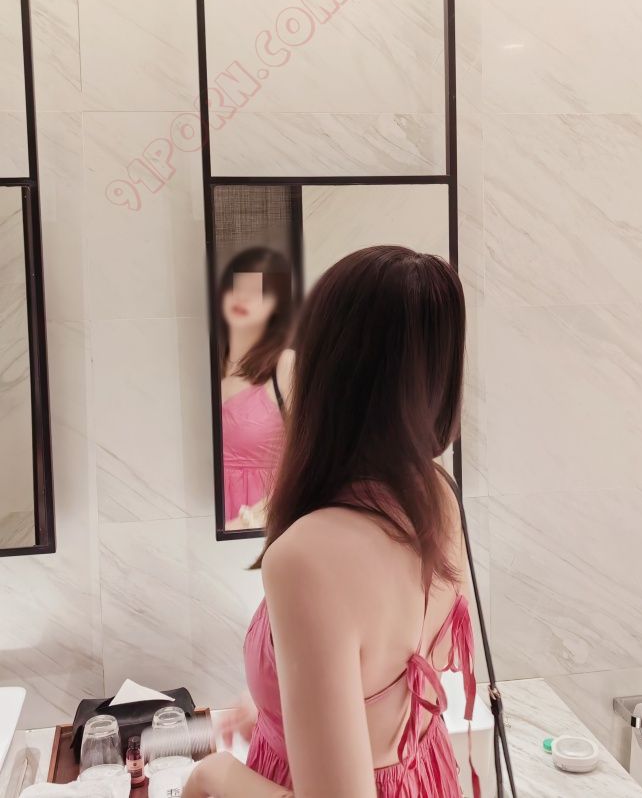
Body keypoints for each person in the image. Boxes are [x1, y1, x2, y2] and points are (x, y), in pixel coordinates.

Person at [185, 246, 479, 798]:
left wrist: (212, 773)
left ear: (328, 368)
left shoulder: (308, 557)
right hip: (423, 778)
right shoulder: (438, 495)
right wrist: (278, 708)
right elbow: (390, 677)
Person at [218, 247, 294, 528]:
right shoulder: (203, 369)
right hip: (201, 521)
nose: (243, 296)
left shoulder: (286, 365)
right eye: (236, 286)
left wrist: (248, 520)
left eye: (258, 290)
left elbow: (312, 456)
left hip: (259, 527)